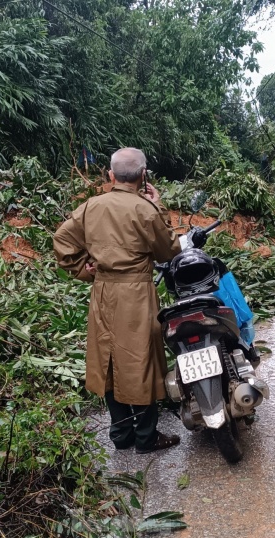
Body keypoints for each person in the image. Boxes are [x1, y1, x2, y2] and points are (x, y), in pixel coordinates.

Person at [53, 148, 183, 454]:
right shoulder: (145, 210)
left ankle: (121, 434)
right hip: (136, 293)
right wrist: (159, 207)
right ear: (143, 175)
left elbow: (62, 240)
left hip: (103, 292)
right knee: (141, 361)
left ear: (111, 176)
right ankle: (146, 437)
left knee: (109, 361)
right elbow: (168, 252)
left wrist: (83, 271)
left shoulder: (91, 207)